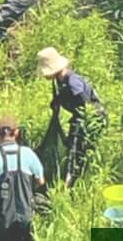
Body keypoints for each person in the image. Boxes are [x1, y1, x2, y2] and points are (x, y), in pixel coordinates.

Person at [38, 47, 106, 186]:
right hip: (79, 117)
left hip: (90, 118)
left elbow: (85, 104)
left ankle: (72, 183)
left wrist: (82, 123)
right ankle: (73, 178)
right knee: (73, 148)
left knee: (77, 151)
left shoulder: (72, 82)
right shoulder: (59, 81)